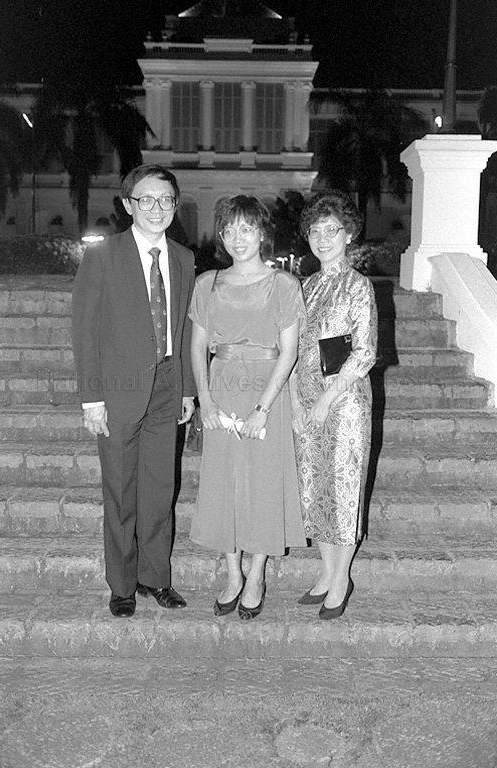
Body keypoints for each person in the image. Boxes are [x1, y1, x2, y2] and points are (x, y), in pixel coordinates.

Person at [72, 163, 196, 618]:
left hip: (166, 387)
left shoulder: (183, 258)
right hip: (118, 390)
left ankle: (155, 578)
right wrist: (92, 398)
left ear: (174, 205)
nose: (157, 208)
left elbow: (182, 328)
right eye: (146, 199)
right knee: (121, 492)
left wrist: (185, 389)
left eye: (165, 200)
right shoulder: (103, 256)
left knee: (160, 489)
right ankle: (122, 585)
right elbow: (84, 330)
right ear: (128, 205)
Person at [189, 195, 306, 620]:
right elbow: (197, 345)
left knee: (262, 484)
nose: (239, 238)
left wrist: (262, 408)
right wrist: (204, 400)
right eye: (230, 230)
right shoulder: (208, 283)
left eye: (247, 228)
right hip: (220, 388)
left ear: (262, 233)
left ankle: (257, 574)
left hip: (267, 393)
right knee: (222, 484)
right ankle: (233, 573)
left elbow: (289, 353)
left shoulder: (284, 285)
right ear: (221, 236)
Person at [290, 190, 377, 619]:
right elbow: (292, 349)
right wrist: (295, 402)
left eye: (332, 230)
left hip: (343, 403)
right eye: (316, 230)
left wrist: (326, 400)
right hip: (306, 401)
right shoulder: (305, 286)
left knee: (341, 489)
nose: (322, 238)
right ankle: (325, 572)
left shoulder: (357, 285)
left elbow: (364, 352)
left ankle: (341, 578)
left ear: (348, 236)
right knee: (313, 489)